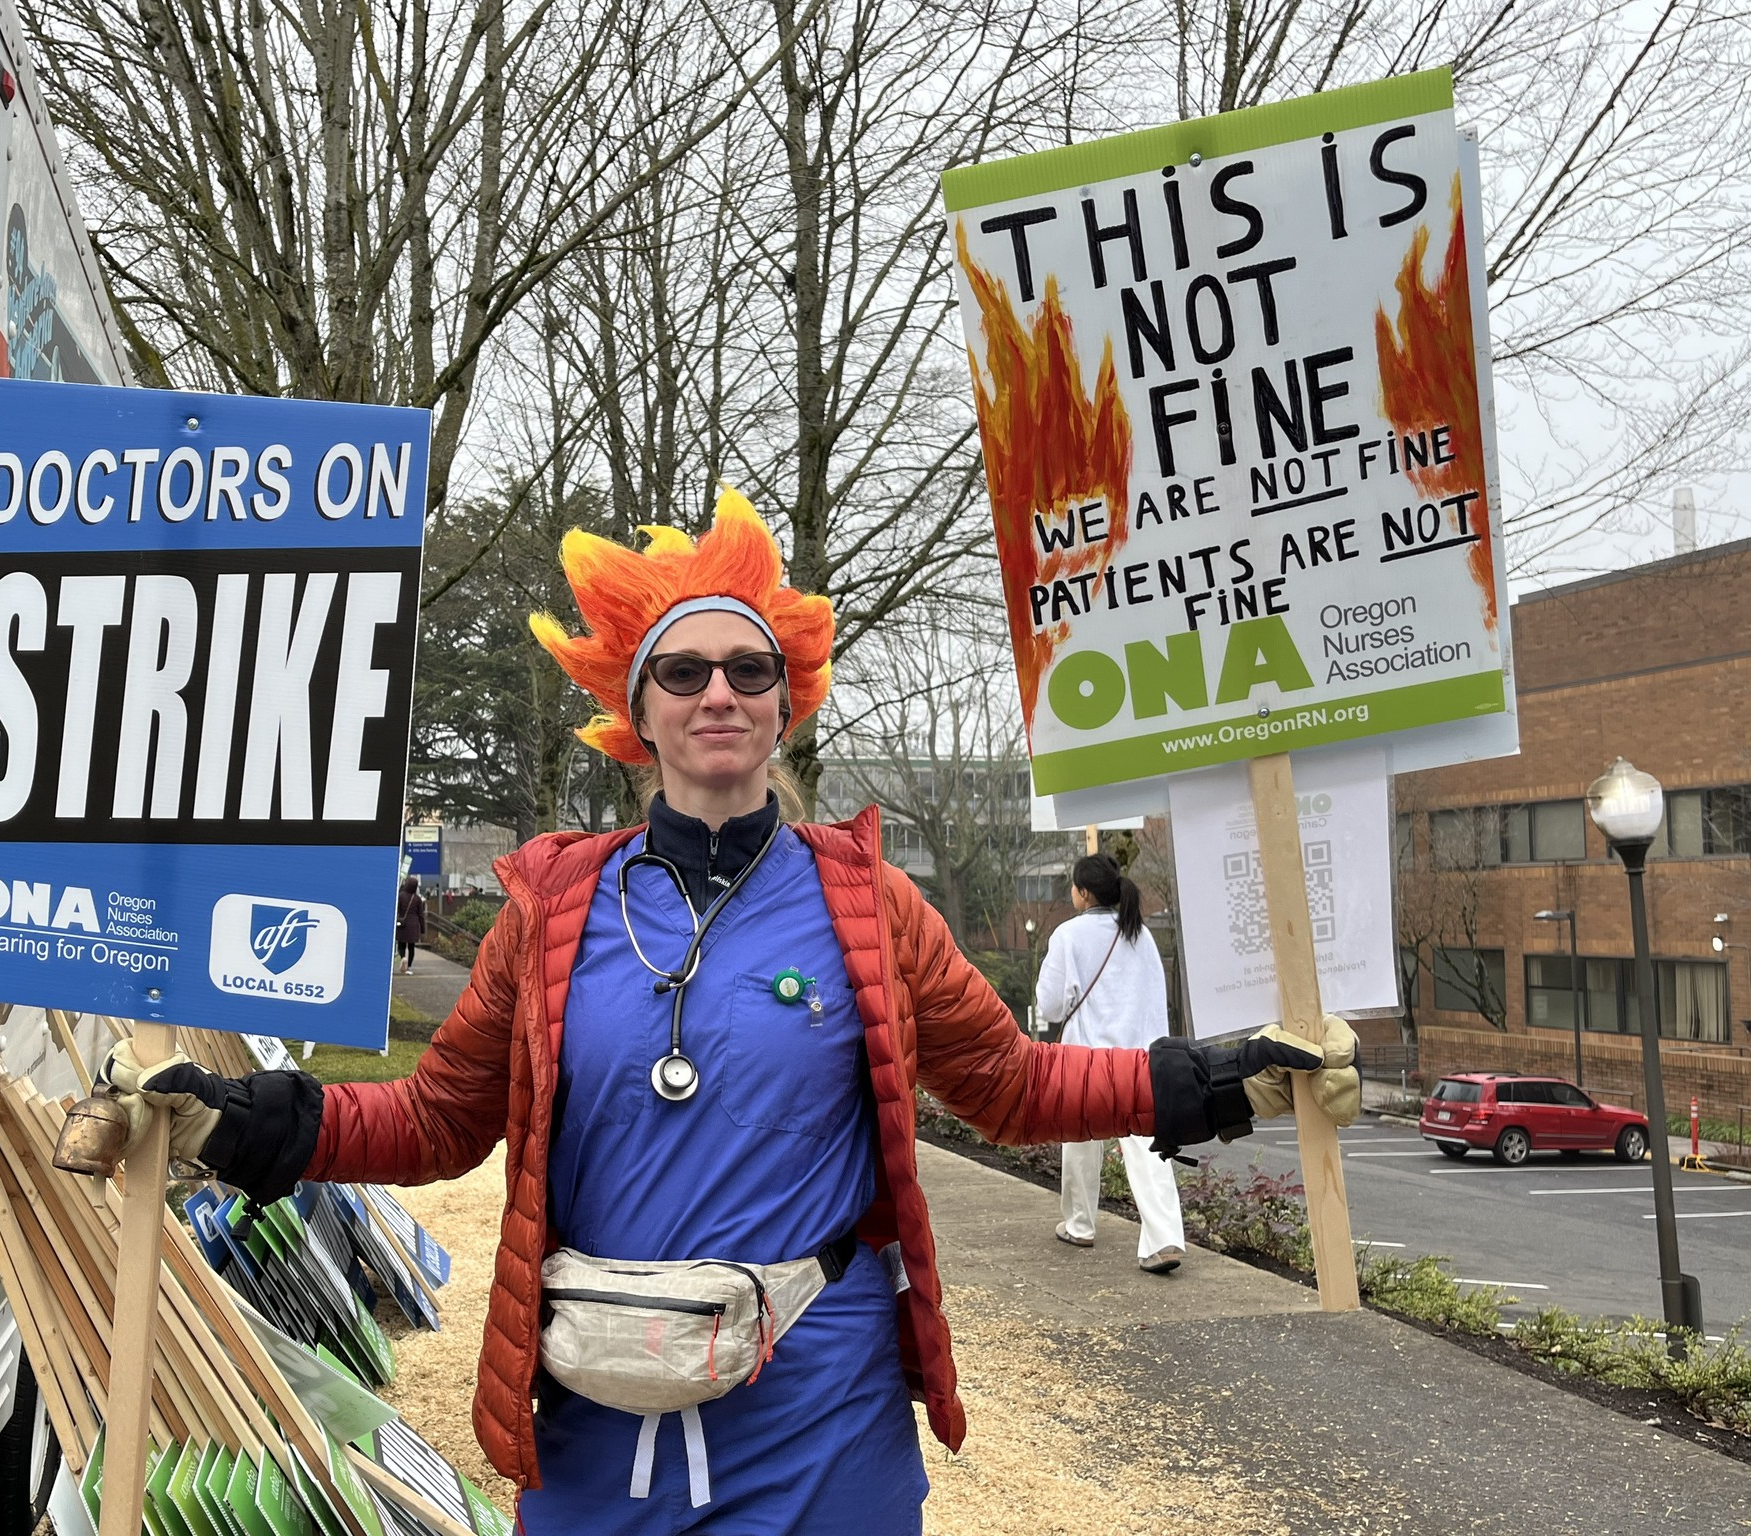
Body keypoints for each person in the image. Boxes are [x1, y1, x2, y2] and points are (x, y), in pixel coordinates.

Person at [103, 490, 1359, 1534]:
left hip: (815, 1402)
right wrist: (238, 1126)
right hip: (598, 1403)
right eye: (685, 670)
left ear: (783, 699)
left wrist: (1227, 1080)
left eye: (749, 668)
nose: (720, 691)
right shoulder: (551, 901)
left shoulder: (868, 901)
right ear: (636, 709)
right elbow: (439, 1118)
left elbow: (1012, 1086)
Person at [1037, 854, 1188, 1273]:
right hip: (1140, 1061)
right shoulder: (1140, 935)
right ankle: (1165, 1240)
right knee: (1147, 1150)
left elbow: (1050, 1006)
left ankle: (1080, 1224)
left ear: (1083, 893)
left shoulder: (1068, 935)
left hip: (1087, 1063)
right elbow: (1158, 1001)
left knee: (1080, 1141)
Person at [397, 874, 425, 973]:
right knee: (411, 947)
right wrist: (422, 928)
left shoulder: (401, 896)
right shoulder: (417, 899)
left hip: (402, 923)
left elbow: (397, 910)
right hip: (413, 924)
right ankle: (409, 966)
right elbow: (421, 915)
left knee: (401, 944)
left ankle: (403, 957)